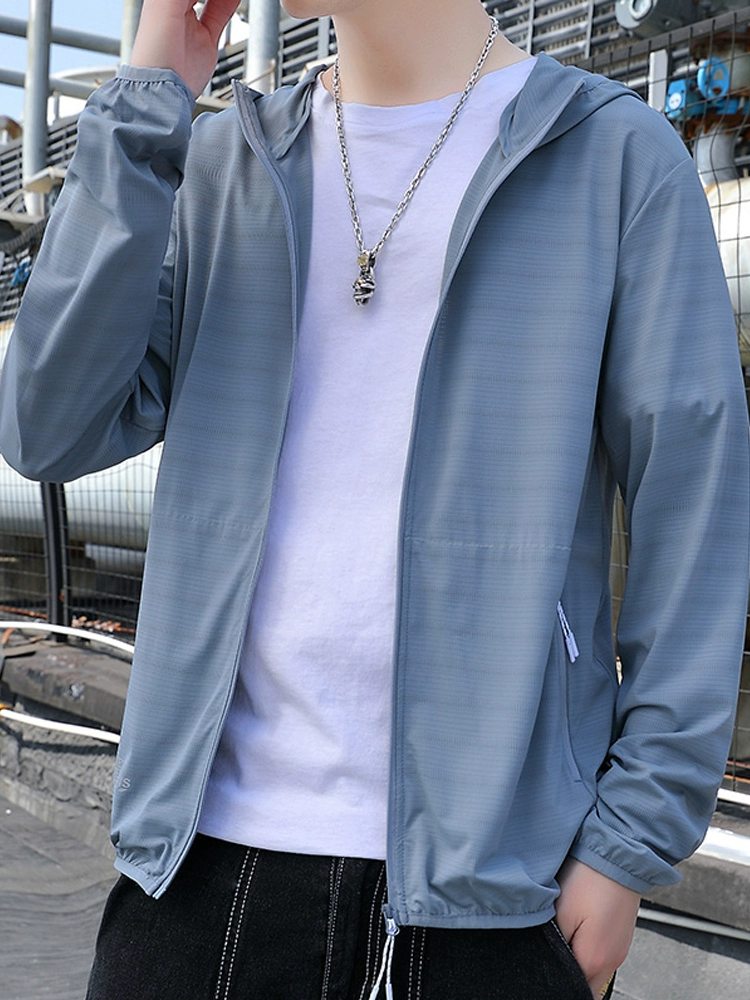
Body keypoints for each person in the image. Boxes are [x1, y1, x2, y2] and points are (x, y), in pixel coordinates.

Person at [1, 0, 748, 997]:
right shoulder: (228, 163)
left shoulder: (611, 156)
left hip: (492, 900)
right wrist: (147, 101)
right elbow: (49, 426)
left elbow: (694, 517)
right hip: (191, 881)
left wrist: (628, 842)